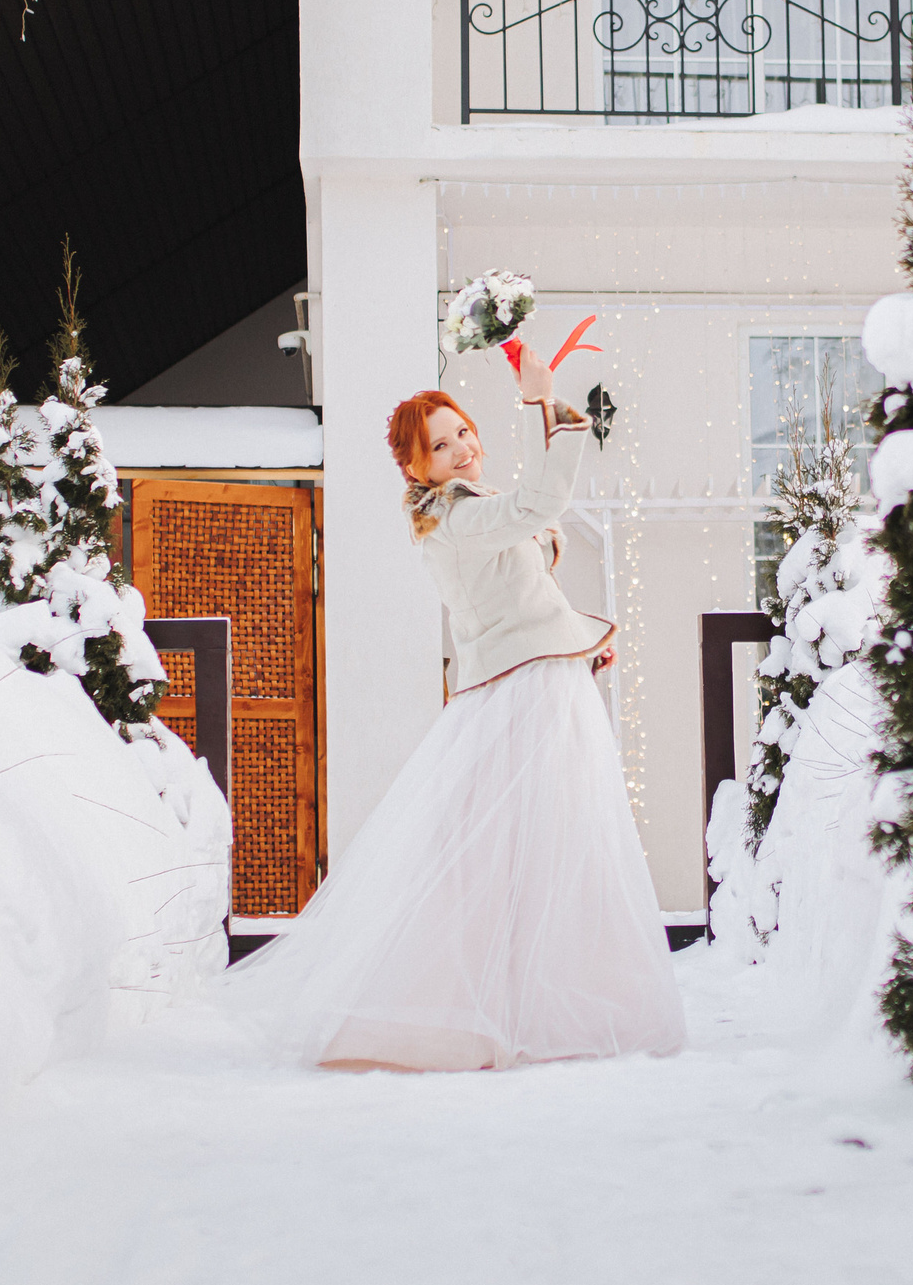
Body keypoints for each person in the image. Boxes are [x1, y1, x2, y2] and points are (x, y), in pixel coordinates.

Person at [221, 342, 687, 1071]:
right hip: (521, 698)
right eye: (441, 444)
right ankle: (461, 1012)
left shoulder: (471, 510)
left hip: (539, 686)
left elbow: (524, 584)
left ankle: (540, 1009)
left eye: (463, 430)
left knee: (551, 849)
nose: (462, 446)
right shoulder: (457, 517)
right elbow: (539, 505)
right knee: (512, 854)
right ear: (417, 468)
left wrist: (576, 650)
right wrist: (548, 408)